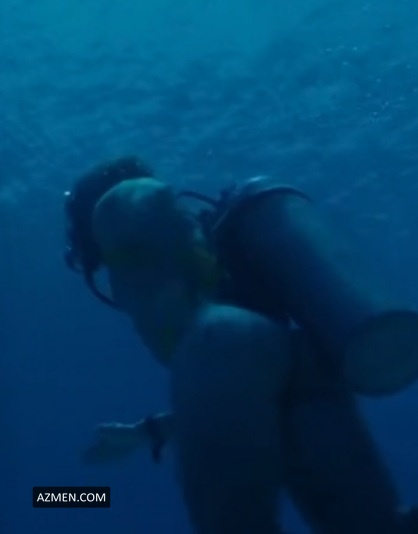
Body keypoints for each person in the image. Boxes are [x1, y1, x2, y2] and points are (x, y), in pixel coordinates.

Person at [64, 156, 418, 533]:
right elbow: (236, 403)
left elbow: (222, 377)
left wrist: (120, 209)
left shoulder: (115, 219)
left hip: (224, 340)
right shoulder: (201, 246)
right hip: (301, 368)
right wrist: (149, 432)